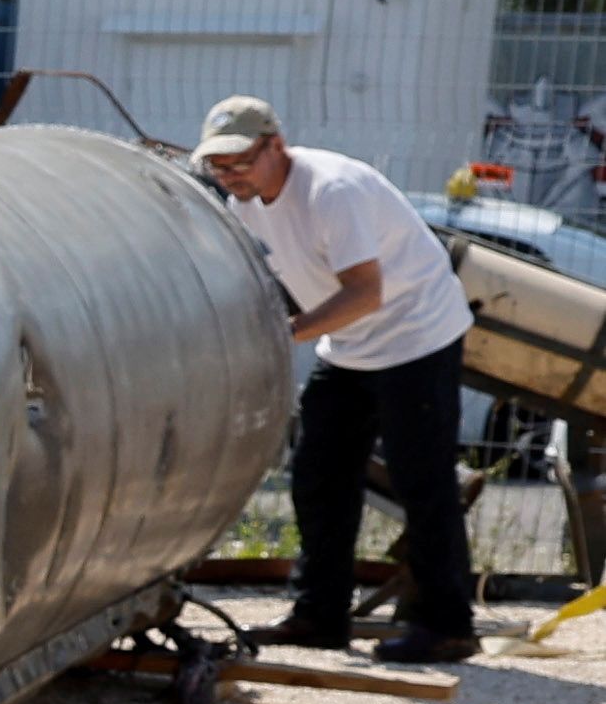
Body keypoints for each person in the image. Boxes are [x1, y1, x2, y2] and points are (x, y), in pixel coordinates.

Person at [195, 92, 483, 663]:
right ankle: (319, 615)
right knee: (318, 474)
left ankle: (448, 624)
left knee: (421, 479)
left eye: (240, 162)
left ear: (276, 145)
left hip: (415, 335)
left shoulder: (332, 190)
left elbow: (365, 292)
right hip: (351, 345)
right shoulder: (244, 203)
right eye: (218, 166)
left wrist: (285, 333)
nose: (229, 176)